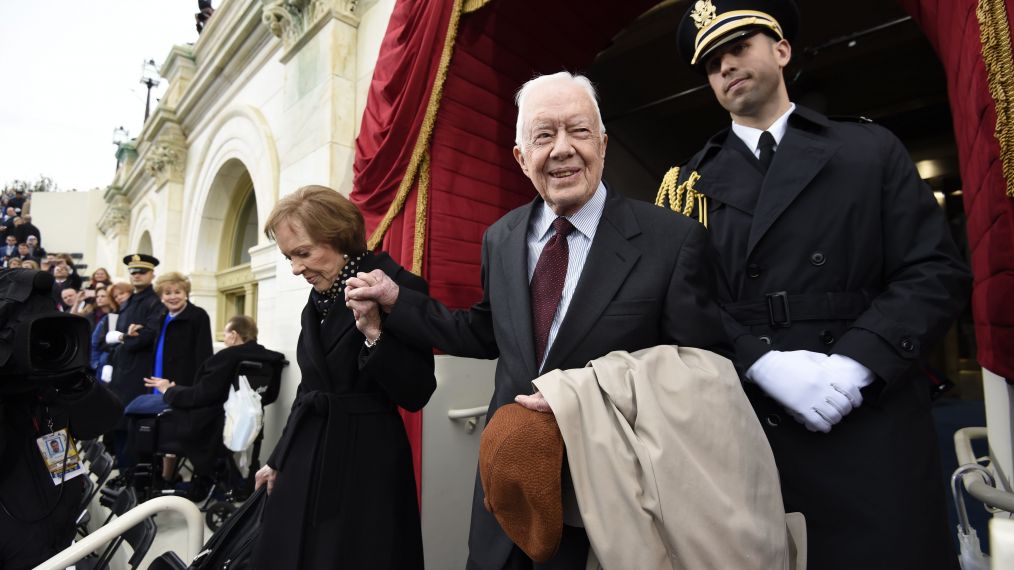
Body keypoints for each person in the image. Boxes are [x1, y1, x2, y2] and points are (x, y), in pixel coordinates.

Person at [345, 72, 730, 570]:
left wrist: (585, 393)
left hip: (613, 500)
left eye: (580, 131)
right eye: (544, 135)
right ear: (521, 158)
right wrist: (399, 301)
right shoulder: (501, 238)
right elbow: (487, 331)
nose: (563, 149)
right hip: (507, 494)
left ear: (604, 145)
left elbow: (701, 371)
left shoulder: (672, 241)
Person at [663, 2, 972, 568]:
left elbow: (933, 270)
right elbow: (686, 303)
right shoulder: (687, 185)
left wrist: (855, 364)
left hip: (871, 413)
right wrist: (762, 363)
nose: (726, 66)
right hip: (755, 420)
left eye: (739, 47)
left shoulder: (868, 150)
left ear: (781, 51)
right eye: (711, 64)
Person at [250, 185, 436, 569]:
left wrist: (374, 334)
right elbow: (308, 389)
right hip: (306, 454)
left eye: (303, 253)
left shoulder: (399, 286)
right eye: (289, 257)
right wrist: (278, 459)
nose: (296, 268)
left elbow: (417, 391)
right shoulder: (318, 296)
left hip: (367, 463)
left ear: (340, 238)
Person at [144, 315, 285, 499]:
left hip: (212, 426)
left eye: (225, 335)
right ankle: (213, 477)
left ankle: (165, 479)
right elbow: (269, 396)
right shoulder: (271, 360)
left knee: (151, 418)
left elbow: (202, 395)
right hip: (247, 424)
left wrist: (168, 390)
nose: (225, 339)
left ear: (234, 335)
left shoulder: (228, 356)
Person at [104, 254, 162, 468]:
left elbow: (146, 337)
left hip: (138, 374)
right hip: (121, 372)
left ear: (152, 274)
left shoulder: (154, 302)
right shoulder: (129, 303)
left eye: (142, 271)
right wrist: (126, 337)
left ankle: (132, 475)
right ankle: (123, 471)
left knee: (132, 427)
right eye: (133, 272)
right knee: (118, 424)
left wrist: (122, 337)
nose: (137, 275)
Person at [91, 283, 130, 374]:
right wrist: (95, 363)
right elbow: (101, 342)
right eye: (115, 296)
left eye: (122, 293)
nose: (119, 298)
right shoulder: (112, 316)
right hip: (110, 359)